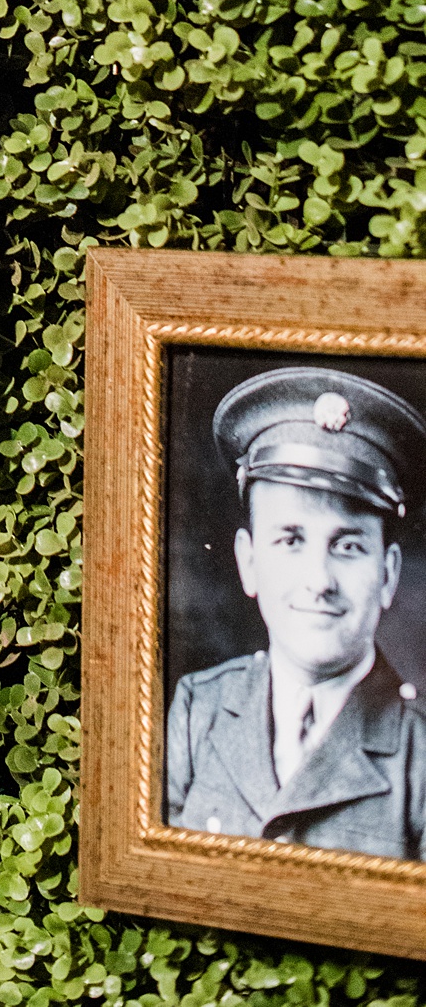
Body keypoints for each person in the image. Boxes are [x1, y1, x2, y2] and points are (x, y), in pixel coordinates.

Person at [166, 366, 426, 855]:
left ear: (388, 575)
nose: (319, 581)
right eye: (290, 540)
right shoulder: (198, 712)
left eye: (348, 546)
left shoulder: (420, 757)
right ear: (249, 563)